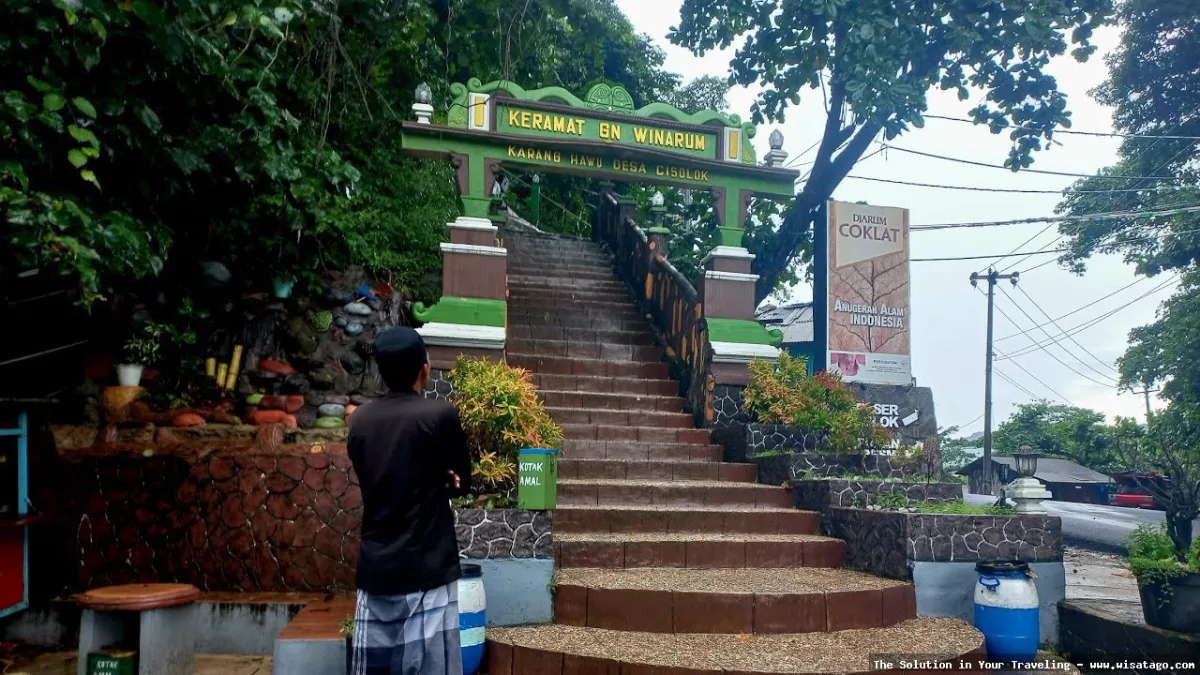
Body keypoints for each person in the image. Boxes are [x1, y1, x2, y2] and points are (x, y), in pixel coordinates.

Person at [347, 326, 472, 675]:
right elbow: (464, 481)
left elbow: (376, 476)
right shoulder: (439, 416)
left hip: (376, 572)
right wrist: (444, 479)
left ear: (381, 372)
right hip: (428, 571)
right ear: (424, 369)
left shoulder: (359, 420)